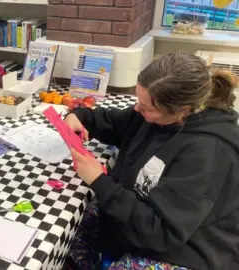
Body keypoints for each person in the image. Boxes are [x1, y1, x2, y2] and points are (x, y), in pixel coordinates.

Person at [64, 52, 239, 270]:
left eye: (146, 107)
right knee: (70, 238)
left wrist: (100, 181)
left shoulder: (208, 153)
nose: (137, 109)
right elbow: (115, 122)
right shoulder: (157, 115)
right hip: (139, 222)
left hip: (187, 251)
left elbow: (160, 231)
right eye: (139, 101)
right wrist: (81, 117)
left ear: (182, 111)